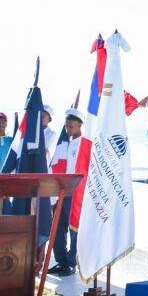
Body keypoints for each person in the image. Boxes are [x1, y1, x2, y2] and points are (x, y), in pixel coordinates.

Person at [48, 109, 85, 275]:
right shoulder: (64, 144)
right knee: (57, 228)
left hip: (76, 193)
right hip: (61, 191)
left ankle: (71, 262)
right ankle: (61, 261)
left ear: (80, 124)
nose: (68, 125)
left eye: (72, 122)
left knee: (74, 229)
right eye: (67, 123)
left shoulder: (85, 143)